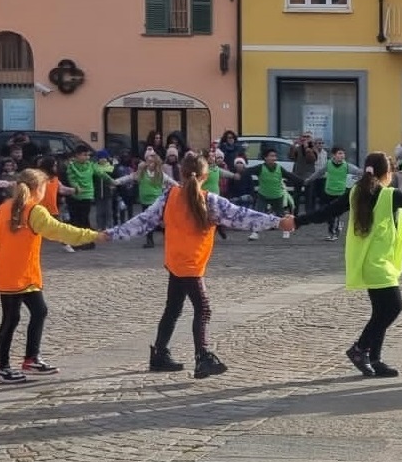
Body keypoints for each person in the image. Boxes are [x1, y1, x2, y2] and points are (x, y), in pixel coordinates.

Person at [109, 153, 294, 378]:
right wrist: (278, 221)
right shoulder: (210, 200)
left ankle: (160, 354)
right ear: (205, 176)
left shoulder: (169, 197)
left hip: (176, 262)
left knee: (173, 308)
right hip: (191, 265)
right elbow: (243, 217)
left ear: (181, 173)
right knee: (203, 308)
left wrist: (111, 234)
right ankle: (202, 357)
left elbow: (141, 222)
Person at [298, 152, 402, 376]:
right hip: (378, 264)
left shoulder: (356, 192)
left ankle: (374, 359)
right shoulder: (389, 195)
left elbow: (325, 212)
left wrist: (298, 221)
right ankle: (359, 349)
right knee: (393, 308)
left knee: (380, 311)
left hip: (373, 261)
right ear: (388, 173)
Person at [0, 169, 100, 383]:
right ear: (37, 189)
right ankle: (0, 366)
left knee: (39, 312)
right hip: (16, 274)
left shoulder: (3, 209)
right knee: (11, 319)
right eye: (44, 188)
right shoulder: (33, 211)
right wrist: (93, 235)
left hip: (22, 275)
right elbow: (60, 231)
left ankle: (31, 359)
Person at [250, 147, 301, 239]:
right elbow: (248, 171)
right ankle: (255, 233)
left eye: (275, 156)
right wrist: (238, 174)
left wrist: (302, 181)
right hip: (263, 195)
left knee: (281, 215)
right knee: (258, 213)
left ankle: (286, 230)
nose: (274, 158)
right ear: (265, 158)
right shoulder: (260, 168)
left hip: (277, 196)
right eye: (272, 156)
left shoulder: (279, 168)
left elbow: (289, 175)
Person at [320, 146, 353, 240]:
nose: (342, 155)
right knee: (328, 215)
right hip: (329, 192)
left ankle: (333, 233)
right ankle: (336, 227)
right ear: (333, 155)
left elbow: (358, 171)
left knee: (335, 214)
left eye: (343, 153)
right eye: (339, 153)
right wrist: (309, 179)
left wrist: (368, 172)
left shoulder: (346, 166)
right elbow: (319, 172)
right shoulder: (328, 164)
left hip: (340, 193)